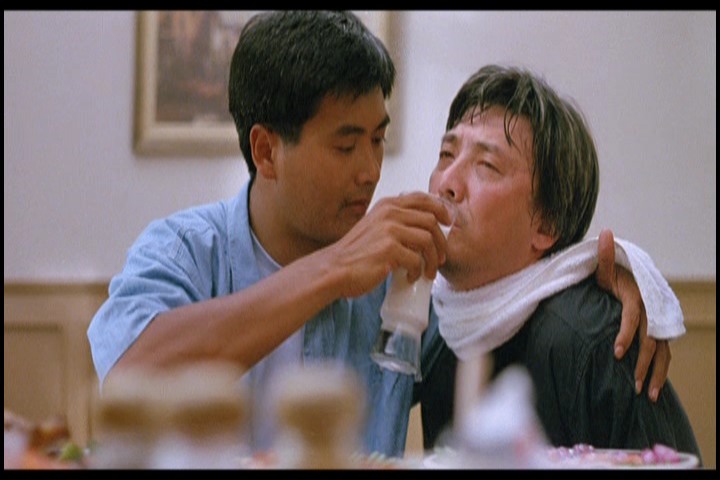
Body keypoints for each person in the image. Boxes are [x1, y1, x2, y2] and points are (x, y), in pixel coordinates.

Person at [88, 11, 671, 458]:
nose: (370, 171)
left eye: (377, 140)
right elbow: (133, 375)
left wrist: (610, 278)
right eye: (346, 146)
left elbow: (500, 303)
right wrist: (335, 270)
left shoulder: (408, 278)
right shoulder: (186, 250)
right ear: (266, 151)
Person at [421, 64, 700, 461]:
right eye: (446, 154)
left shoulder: (591, 337)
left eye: (487, 165)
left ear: (547, 223)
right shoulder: (437, 325)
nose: (446, 182)